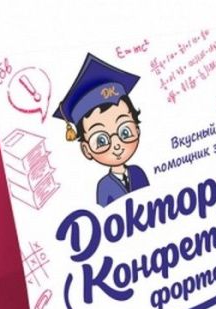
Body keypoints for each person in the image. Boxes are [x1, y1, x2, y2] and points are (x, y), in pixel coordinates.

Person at [53, 53, 150, 207]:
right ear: (86, 150)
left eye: (125, 132)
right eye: (101, 140)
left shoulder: (138, 173)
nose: (116, 145)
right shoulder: (104, 187)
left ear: (137, 129)